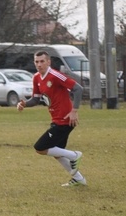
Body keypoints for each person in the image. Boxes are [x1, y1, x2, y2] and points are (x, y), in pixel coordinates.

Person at [17, 50, 87, 186]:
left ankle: (74, 155)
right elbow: (35, 100)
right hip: (56, 119)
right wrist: (24, 104)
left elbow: (78, 89)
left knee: (40, 147)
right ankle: (79, 179)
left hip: (66, 119)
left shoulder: (55, 75)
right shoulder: (37, 77)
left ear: (48, 62)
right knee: (57, 152)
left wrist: (74, 110)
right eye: (36, 62)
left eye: (42, 61)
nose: (39, 64)